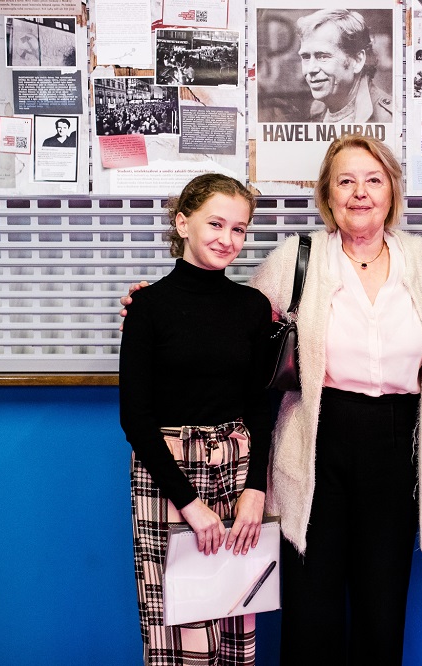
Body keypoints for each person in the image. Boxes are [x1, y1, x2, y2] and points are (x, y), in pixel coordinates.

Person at [120, 135, 422, 664]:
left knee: (382, 605)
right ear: (327, 194)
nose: (360, 193)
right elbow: (228, 320)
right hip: (313, 444)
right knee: (311, 608)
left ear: (392, 190)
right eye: (345, 181)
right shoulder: (298, 258)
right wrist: (147, 305)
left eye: (374, 180)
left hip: (398, 445)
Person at [118, 173, 273, 666]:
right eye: (215, 224)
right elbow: (135, 418)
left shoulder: (253, 307)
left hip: (235, 468)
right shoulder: (147, 307)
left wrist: (256, 489)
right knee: (179, 625)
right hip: (168, 476)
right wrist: (189, 504)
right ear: (183, 223)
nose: (228, 239)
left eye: (239, 229)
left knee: (233, 616)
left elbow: (260, 406)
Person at [297, 9, 393, 123]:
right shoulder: (317, 108)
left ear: (357, 60)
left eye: (323, 57)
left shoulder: (389, 118)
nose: (310, 69)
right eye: (306, 57)